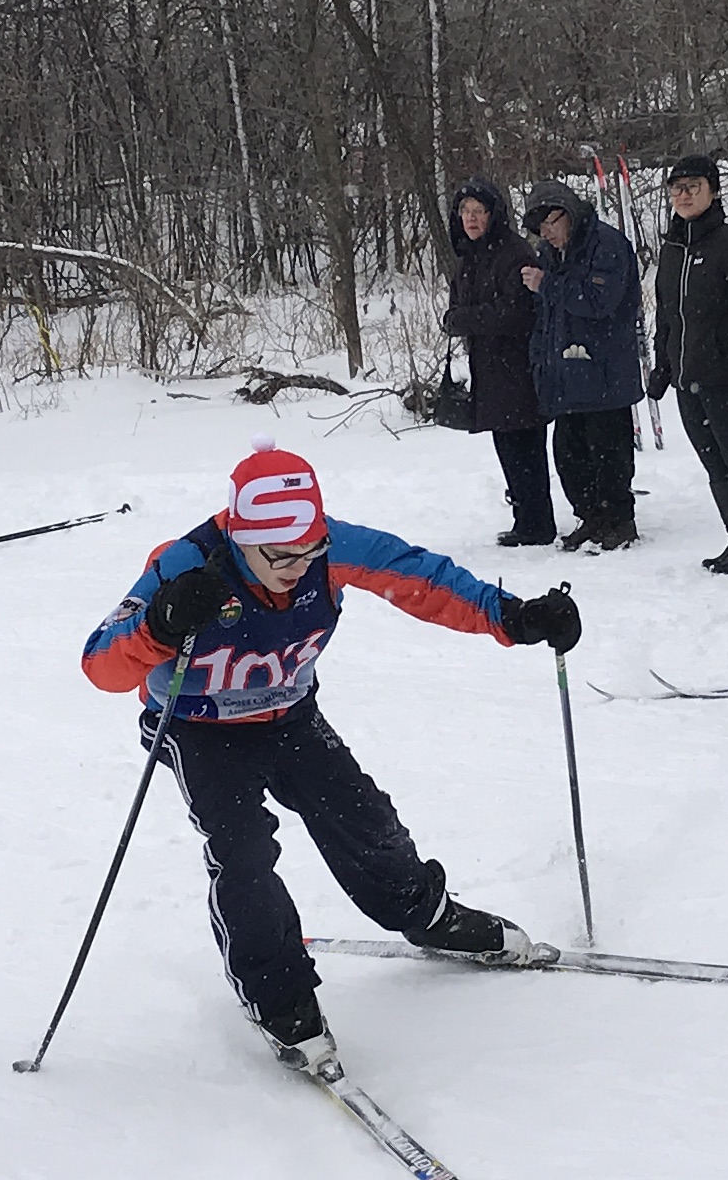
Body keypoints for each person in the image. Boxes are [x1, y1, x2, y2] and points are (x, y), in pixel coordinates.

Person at [80, 445, 579, 1080]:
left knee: (362, 819)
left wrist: (513, 617)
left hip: (289, 714)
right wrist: (160, 622)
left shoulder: (332, 549)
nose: (297, 568)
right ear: (242, 538)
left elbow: (421, 579)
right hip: (200, 727)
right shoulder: (186, 563)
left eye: (309, 551)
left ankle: (426, 915)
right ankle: (279, 996)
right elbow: (100, 664)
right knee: (242, 851)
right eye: (280, 556)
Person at [649, 153, 728, 573]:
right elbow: (667, 315)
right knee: (712, 460)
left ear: (713, 192)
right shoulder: (671, 249)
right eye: (677, 188)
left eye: (693, 187)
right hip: (688, 380)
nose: (684, 196)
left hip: (726, 378)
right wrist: (663, 366)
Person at [521, 182, 643, 550]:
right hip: (565, 374)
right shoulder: (548, 253)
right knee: (569, 455)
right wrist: (539, 358)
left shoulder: (606, 244)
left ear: (569, 214)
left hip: (605, 371)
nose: (546, 234)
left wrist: (548, 285)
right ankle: (591, 517)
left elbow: (597, 301)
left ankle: (619, 521)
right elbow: (544, 315)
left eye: (551, 224)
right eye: (540, 229)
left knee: (609, 453)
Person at [442, 182, 554, 546]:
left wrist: (467, 319)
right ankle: (526, 517)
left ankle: (536, 522)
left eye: (479, 211)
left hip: (519, 365)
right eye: (465, 211)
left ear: (493, 215)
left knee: (525, 447)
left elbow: (516, 313)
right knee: (507, 446)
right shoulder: (469, 256)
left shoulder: (513, 252)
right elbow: (457, 309)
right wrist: (458, 319)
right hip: (488, 366)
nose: (471, 219)